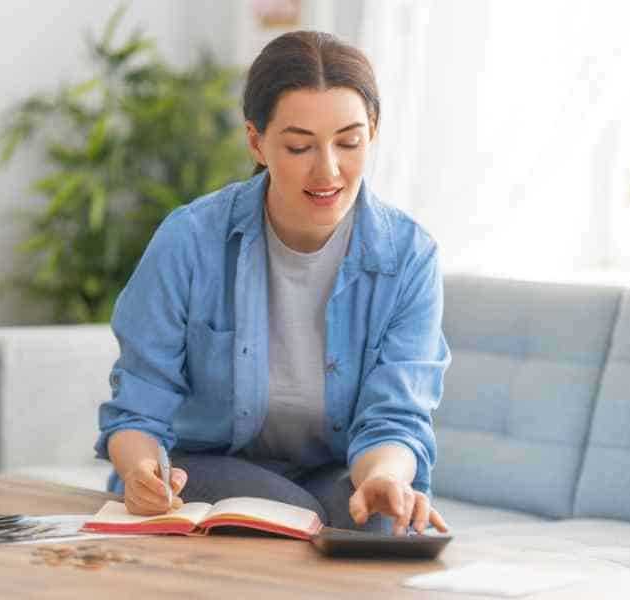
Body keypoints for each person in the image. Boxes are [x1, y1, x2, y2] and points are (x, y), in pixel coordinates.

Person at [95, 30, 451, 536]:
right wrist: (140, 471)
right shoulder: (190, 239)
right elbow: (140, 401)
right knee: (286, 514)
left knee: (375, 520)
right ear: (257, 142)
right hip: (205, 463)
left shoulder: (409, 257)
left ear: (372, 131)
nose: (328, 169)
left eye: (348, 142)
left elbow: (396, 416)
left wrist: (384, 478)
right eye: (300, 145)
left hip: (335, 466)